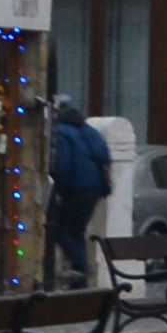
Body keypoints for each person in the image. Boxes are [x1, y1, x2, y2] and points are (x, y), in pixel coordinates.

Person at [46, 95, 112, 283]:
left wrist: (58, 189)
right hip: (95, 189)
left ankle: (81, 268)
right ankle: (79, 277)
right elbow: (104, 156)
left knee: (59, 229)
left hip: (76, 188)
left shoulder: (61, 131)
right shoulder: (88, 130)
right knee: (76, 230)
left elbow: (63, 164)